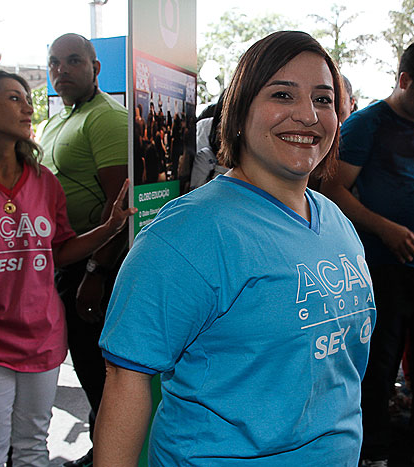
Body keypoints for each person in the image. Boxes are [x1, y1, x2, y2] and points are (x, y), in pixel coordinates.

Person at [94, 30, 376, 466]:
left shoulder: (336, 220)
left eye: (323, 100)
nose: (307, 115)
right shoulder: (188, 234)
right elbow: (125, 377)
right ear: (239, 111)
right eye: (283, 95)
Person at [0, 69, 135, 467]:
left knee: (32, 448)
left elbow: (58, 252)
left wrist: (109, 229)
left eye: (27, 98)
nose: (28, 107)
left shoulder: (43, 182)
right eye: (13, 98)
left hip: (41, 338)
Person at [321, 35, 414, 467]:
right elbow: (332, 189)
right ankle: (373, 453)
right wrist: (385, 229)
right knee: (378, 369)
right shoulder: (366, 124)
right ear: (404, 79)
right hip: (383, 270)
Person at [39, 33, 129, 467]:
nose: (61, 71)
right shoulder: (60, 117)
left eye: (73, 61)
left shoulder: (106, 117)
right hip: (65, 260)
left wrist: (95, 270)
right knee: (85, 364)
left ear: (96, 68)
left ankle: (108, 456)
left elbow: (120, 208)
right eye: (54, 62)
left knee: (97, 371)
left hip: (94, 267)